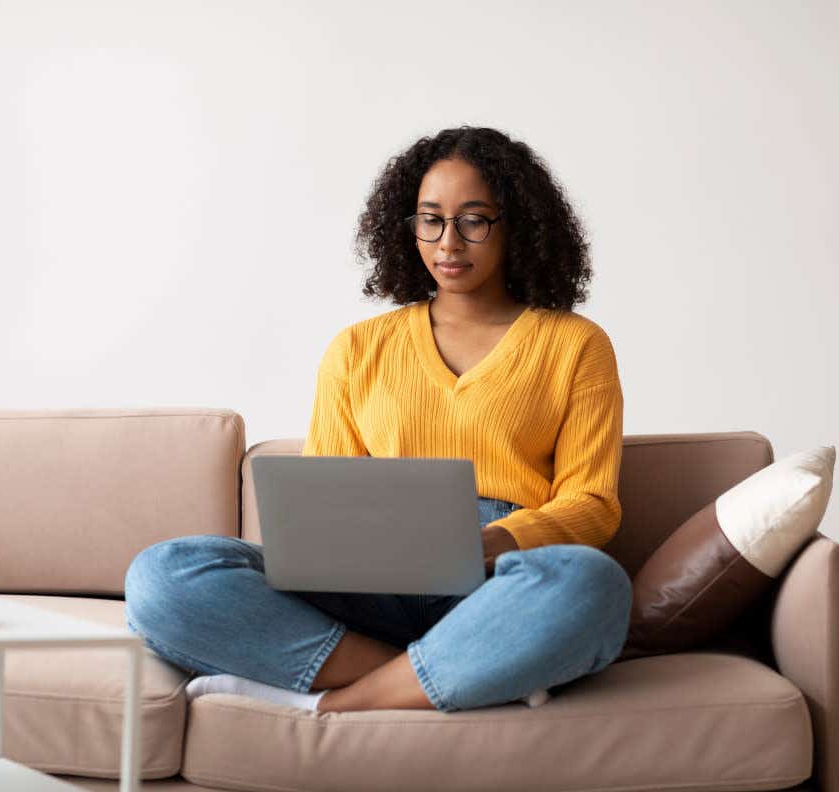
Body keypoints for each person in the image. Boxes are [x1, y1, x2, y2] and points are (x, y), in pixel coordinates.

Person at [124, 125, 632, 715]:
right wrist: (361, 547)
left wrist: (490, 541)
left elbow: (593, 504)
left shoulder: (575, 344)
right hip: (369, 586)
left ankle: (340, 701)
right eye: (430, 220)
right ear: (406, 225)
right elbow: (327, 499)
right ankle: (463, 669)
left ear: (515, 224)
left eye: (474, 220)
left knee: (591, 585)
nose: (449, 243)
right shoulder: (358, 348)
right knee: (164, 575)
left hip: (497, 584)